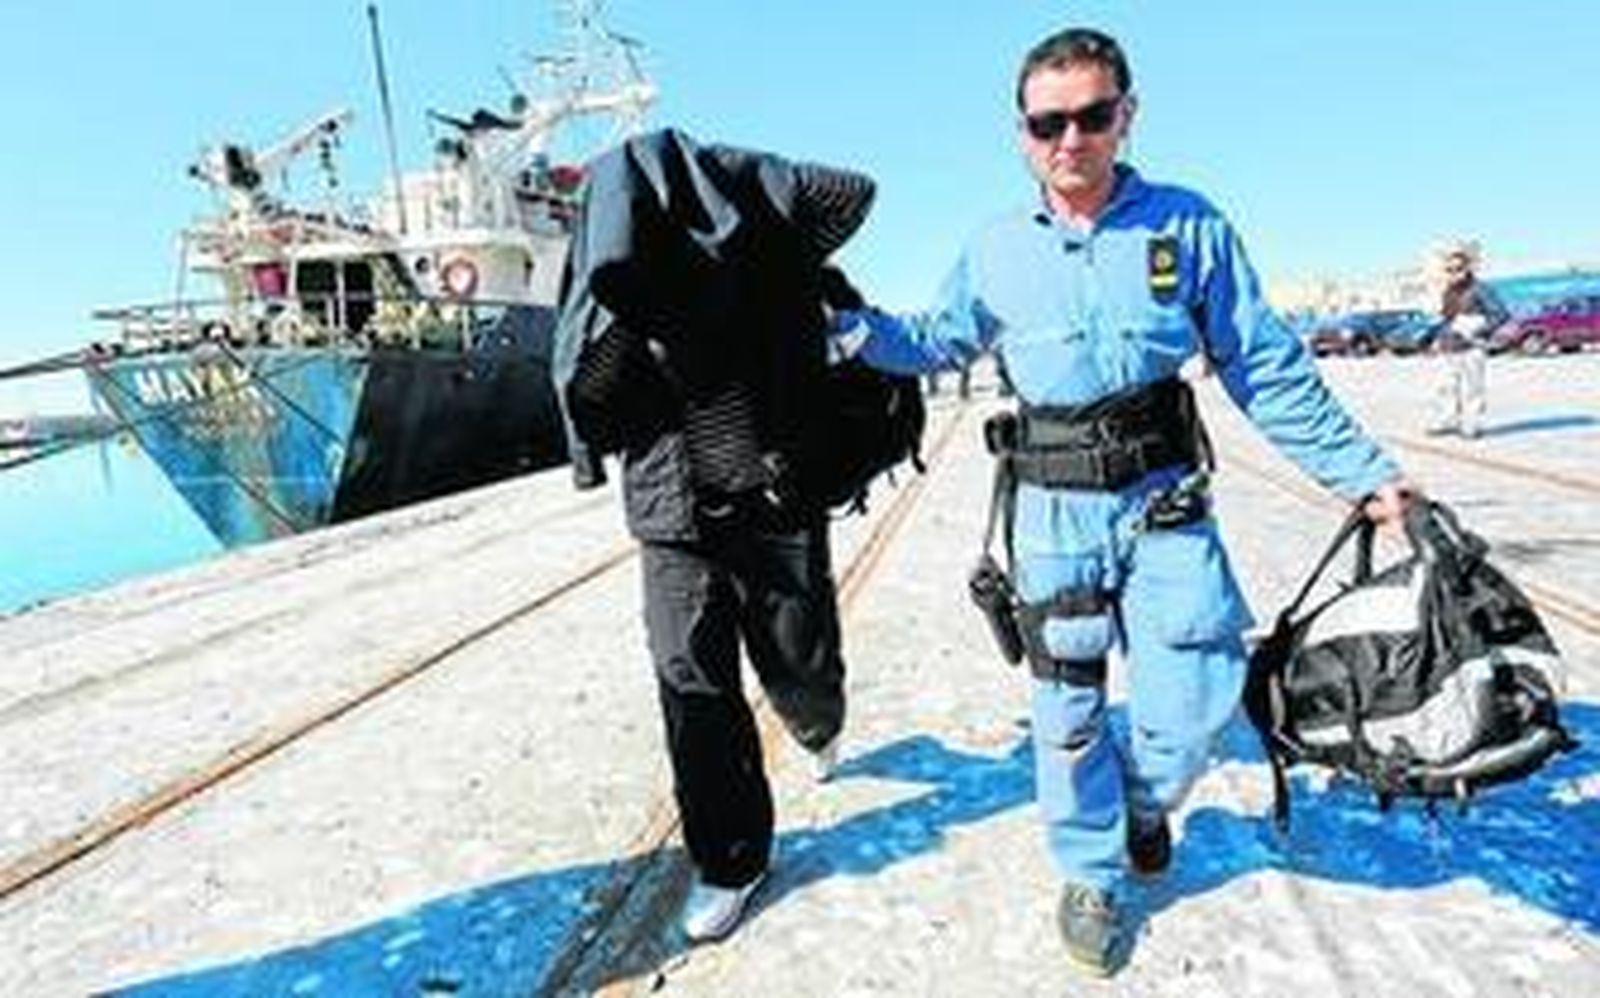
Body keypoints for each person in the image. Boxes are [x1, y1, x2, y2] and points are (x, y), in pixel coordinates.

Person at [831, 28, 1415, 975]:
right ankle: (1093, 870)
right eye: (1049, 122)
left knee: (1194, 697)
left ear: (1125, 116)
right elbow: (938, 339)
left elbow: (1263, 364)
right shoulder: (991, 249)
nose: (1071, 139)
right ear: (1023, 133)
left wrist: (1364, 474)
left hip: (1163, 500)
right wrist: (847, 328)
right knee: (1065, 710)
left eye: (1092, 116)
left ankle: (1145, 802)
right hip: (1053, 511)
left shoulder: (1188, 226)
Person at [554, 130, 876, 944]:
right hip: (672, 515)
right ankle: (731, 860)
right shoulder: (615, 289)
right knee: (692, 686)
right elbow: (588, 395)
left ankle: (819, 722)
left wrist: (726, 175)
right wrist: (635, 307)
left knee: (801, 660)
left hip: (776, 496)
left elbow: (855, 191)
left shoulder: (762, 245)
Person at [1430, 241, 1509, 438]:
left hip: (1472, 346)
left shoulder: (1481, 289)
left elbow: (1501, 314)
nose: (1454, 272)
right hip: (1449, 346)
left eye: (1458, 268)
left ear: (1467, 268)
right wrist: (1438, 337)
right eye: (1450, 269)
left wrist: (1478, 330)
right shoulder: (1447, 291)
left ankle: (1472, 424)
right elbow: (1445, 318)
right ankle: (1447, 420)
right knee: (1445, 386)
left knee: (1473, 387)